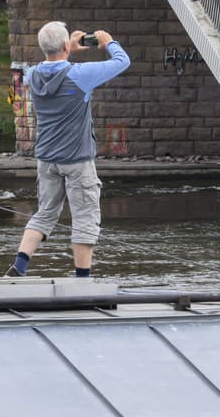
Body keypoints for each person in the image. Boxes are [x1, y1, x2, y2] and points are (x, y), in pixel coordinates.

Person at [7, 21, 130, 278]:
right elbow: (122, 62)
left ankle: (19, 266)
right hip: (77, 159)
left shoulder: (32, 75)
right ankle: (82, 278)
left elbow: (54, 69)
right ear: (65, 44)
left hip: (47, 158)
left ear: (44, 48)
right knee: (85, 215)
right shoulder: (80, 74)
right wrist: (108, 43)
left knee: (45, 212)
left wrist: (68, 52)